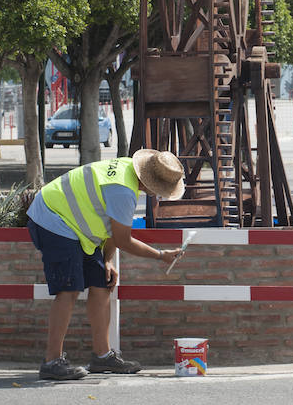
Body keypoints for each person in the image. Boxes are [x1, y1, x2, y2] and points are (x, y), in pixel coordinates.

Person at [26, 149, 185, 380]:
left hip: (75, 228)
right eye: (160, 191)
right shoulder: (123, 190)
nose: (158, 195)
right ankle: (51, 361)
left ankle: (102, 356)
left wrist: (108, 260)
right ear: (150, 183)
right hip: (53, 219)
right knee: (68, 289)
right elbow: (123, 239)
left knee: (102, 283)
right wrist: (161, 255)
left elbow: (112, 228)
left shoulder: (126, 170)